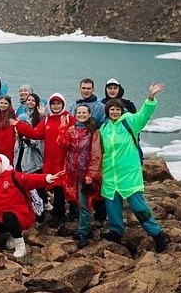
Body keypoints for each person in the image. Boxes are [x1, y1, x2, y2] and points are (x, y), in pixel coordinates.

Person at [99, 83, 167, 252]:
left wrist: (150, 98)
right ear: (107, 111)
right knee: (112, 207)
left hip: (128, 174)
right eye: (111, 109)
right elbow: (100, 151)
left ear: (122, 110)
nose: (114, 112)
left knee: (139, 207)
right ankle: (116, 231)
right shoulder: (104, 128)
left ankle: (157, 234)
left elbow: (145, 114)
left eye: (117, 109)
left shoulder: (131, 122)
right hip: (109, 174)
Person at [15, 93, 75, 227]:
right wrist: (19, 125)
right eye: (53, 103)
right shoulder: (47, 120)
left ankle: (63, 214)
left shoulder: (69, 119)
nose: (56, 105)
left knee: (63, 186)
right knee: (56, 185)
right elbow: (36, 134)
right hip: (51, 159)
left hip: (66, 159)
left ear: (63, 104)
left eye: (58, 103)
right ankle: (60, 214)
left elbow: (77, 133)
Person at [0, 153, 64, 258]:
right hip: (2, 215)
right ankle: (11, 233)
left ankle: (20, 245)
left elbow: (30, 179)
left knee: (8, 217)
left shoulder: (14, 176)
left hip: (20, 214)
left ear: (2, 162)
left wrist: (48, 178)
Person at [58, 104, 102, 247]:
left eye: (84, 112)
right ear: (75, 114)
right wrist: (63, 128)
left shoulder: (93, 132)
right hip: (72, 171)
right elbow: (62, 144)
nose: (82, 114)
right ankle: (86, 227)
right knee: (77, 201)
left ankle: (83, 231)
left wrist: (91, 174)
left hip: (85, 173)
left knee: (84, 203)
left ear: (89, 115)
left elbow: (96, 154)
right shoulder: (71, 130)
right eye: (79, 112)